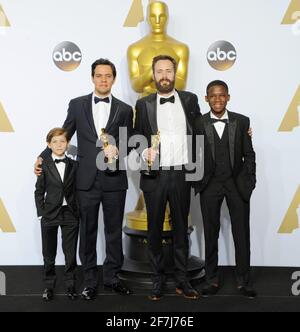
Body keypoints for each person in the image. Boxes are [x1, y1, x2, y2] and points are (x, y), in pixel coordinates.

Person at [35, 59, 133, 300]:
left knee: (112, 232)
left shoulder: (125, 109)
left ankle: (112, 277)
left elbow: (130, 141)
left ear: (113, 79)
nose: (103, 79)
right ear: (92, 78)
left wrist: (118, 148)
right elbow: (63, 136)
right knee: (87, 233)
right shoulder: (77, 105)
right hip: (85, 180)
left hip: (114, 180)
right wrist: (42, 157)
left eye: (108, 76)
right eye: (99, 75)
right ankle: (89, 281)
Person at [134, 55, 201, 301]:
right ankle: (157, 280)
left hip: (183, 172)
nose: (164, 75)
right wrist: (143, 149)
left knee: (181, 229)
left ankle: (183, 280)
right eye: (159, 71)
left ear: (175, 73)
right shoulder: (143, 104)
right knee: (153, 230)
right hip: (156, 174)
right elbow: (135, 136)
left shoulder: (190, 100)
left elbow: (202, 130)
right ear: (153, 75)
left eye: (168, 71)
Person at [194, 80, 257, 299]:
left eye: (222, 95)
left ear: (228, 97)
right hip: (209, 185)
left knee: (241, 233)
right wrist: (198, 182)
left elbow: (249, 154)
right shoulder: (198, 123)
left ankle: (244, 281)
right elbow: (194, 155)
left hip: (236, 184)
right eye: (213, 95)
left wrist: (249, 181)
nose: (218, 99)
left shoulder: (241, 121)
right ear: (206, 98)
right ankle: (211, 280)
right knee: (210, 234)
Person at [35, 128, 79, 301]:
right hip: (50, 214)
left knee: (70, 252)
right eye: (55, 142)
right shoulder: (43, 165)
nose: (59, 145)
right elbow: (39, 192)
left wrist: (78, 210)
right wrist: (41, 213)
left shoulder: (75, 165)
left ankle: (70, 285)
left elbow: (77, 190)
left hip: (70, 213)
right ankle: (49, 286)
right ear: (48, 145)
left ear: (67, 144)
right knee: (49, 252)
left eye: (62, 141)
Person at [127, 1, 189, 97]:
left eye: (162, 16)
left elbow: (182, 85)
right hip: (144, 108)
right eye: (152, 16)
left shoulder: (180, 48)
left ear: (167, 18)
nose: (157, 21)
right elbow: (136, 87)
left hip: (173, 106)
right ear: (147, 18)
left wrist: (158, 74)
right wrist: (152, 73)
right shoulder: (135, 49)